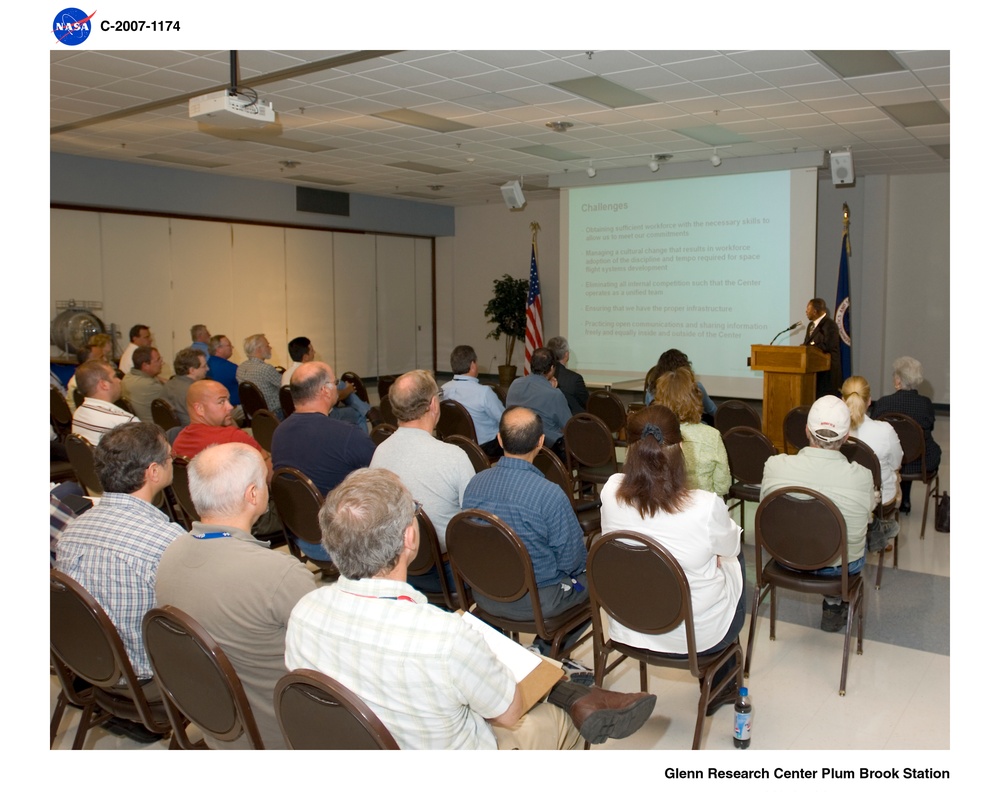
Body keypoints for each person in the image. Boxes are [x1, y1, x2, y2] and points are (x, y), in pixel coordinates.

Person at [284, 467, 656, 749]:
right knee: (555, 720)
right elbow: (507, 711)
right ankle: (574, 700)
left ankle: (578, 695)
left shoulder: (304, 613)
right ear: (409, 538)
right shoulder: (443, 636)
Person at [155, 443, 317, 749]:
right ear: (253, 495)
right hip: (284, 733)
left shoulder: (169, 555)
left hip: (221, 726)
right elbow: (333, 658)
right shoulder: (278, 574)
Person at [599, 404, 744, 714]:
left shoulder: (610, 492)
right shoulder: (705, 506)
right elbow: (731, 548)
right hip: (695, 637)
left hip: (627, 625)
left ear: (630, 450)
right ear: (680, 448)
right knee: (735, 558)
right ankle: (721, 681)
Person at [56, 422, 184, 680]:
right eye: (170, 457)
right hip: (145, 675)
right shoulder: (167, 540)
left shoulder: (71, 531)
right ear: (154, 472)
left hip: (90, 665)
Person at [462, 406, 588, 653]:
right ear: (541, 443)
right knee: (594, 581)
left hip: (485, 596)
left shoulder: (474, 484)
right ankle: (545, 649)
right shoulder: (549, 494)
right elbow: (572, 561)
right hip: (540, 603)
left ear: (499, 440)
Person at [760, 395, 875, 633]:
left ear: (806, 430)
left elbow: (767, 514)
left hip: (784, 558)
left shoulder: (774, 465)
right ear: (845, 437)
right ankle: (833, 603)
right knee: (857, 533)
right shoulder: (862, 476)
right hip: (838, 569)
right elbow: (863, 522)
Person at [369, 369, 474, 593]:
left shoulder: (379, 452)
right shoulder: (454, 456)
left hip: (394, 569)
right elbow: (473, 521)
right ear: (434, 405)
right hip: (446, 574)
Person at [271, 361, 376, 563]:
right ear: (325, 391)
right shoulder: (346, 435)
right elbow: (383, 477)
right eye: (335, 383)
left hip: (301, 536)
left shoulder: (278, 433)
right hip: (342, 545)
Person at [172, 380, 283, 540]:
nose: (231, 407)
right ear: (199, 409)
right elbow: (271, 475)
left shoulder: (179, 441)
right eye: (221, 401)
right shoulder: (233, 438)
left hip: (205, 521)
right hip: (252, 523)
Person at [869, 356, 942, 515]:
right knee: (913, 446)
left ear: (897, 381)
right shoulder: (925, 404)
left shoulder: (883, 403)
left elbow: (874, 430)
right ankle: (905, 501)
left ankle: (895, 498)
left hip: (888, 463)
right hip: (920, 463)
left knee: (900, 448)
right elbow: (930, 427)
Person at [842, 375, 903, 553]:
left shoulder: (835, 429)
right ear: (869, 401)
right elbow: (897, 463)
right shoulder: (885, 430)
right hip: (880, 500)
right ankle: (876, 531)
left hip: (844, 496)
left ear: (842, 400)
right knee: (894, 475)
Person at [653, 366, 730, 497]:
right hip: (703, 511)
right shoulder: (712, 436)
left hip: (663, 510)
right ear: (695, 398)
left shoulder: (650, 434)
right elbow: (722, 486)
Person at [281, 336, 369, 431]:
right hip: (322, 416)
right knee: (359, 413)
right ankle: (367, 414)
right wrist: (347, 390)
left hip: (297, 416)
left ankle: (366, 409)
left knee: (339, 383)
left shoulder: (286, 374)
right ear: (305, 357)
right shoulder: (313, 375)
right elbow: (330, 397)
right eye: (312, 351)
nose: (314, 353)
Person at [505, 347, 572, 460]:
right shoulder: (554, 394)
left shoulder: (515, 384)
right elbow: (569, 426)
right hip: (549, 451)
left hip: (516, 443)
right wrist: (553, 390)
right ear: (551, 368)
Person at [441, 345, 505, 458]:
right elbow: (505, 419)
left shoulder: (442, 390)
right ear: (472, 365)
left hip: (453, 443)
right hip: (484, 447)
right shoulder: (484, 392)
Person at [71, 359, 139, 445]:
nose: (119, 380)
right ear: (104, 385)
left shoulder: (78, 414)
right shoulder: (126, 422)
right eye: (114, 376)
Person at [644, 349, 717, 421]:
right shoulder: (695, 387)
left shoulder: (652, 390)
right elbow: (713, 410)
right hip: (692, 424)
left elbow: (650, 416)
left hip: (663, 428)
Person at [236, 333, 284, 419]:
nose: (270, 347)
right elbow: (284, 386)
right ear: (259, 350)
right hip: (274, 414)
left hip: (252, 415)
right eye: (267, 345)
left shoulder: (241, 368)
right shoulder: (266, 369)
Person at [161, 347, 209, 427]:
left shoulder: (168, 385)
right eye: (204, 366)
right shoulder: (194, 391)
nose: (207, 369)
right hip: (195, 432)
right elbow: (210, 419)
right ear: (192, 370)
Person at [804, 297, 842, 398]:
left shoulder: (830, 325)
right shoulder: (810, 326)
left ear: (815, 311)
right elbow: (806, 345)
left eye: (808, 308)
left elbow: (827, 346)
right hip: (814, 373)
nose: (806, 311)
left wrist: (811, 346)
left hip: (827, 375)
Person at [121, 345, 165, 424]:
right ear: (145, 366)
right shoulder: (151, 386)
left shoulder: (127, 377)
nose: (162, 362)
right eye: (158, 360)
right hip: (155, 429)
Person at [547, 336, 589, 415]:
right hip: (573, 422)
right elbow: (587, 402)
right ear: (566, 354)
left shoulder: (542, 375)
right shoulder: (575, 379)